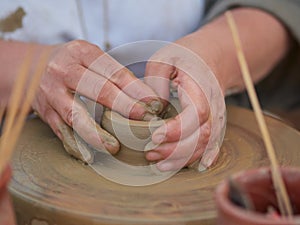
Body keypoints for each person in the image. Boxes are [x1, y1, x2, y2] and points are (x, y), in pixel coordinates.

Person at [0, 0, 299, 173]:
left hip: (194, 126)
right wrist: (28, 69)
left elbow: (280, 6)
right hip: (23, 141)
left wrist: (215, 54)